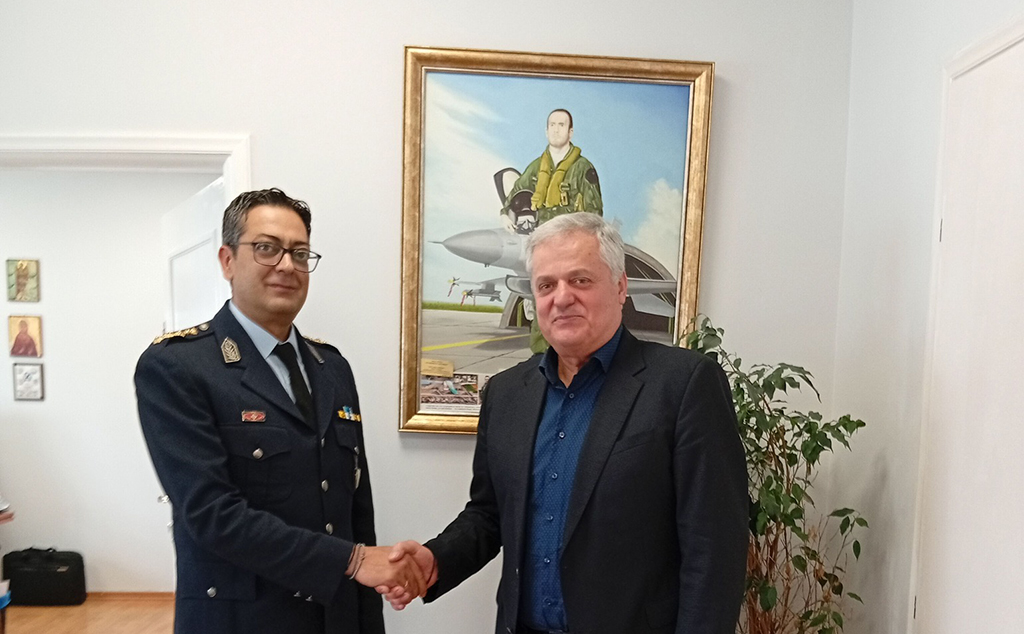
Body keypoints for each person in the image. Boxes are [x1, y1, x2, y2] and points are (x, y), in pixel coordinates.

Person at [383, 213, 749, 634]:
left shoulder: (684, 384)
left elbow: (714, 550)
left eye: (580, 280)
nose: (561, 298)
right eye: (546, 285)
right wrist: (436, 559)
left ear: (620, 287)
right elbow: (489, 514)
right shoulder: (506, 393)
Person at [135, 188, 425, 634]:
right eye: (267, 248)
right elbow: (212, 514)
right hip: (240, 620)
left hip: (334, 617)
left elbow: (356, 512)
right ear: (227, 261)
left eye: (300, 253)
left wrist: (369, 610)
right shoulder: (178, 367)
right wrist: (351, 561)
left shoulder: (332, 368)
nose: (287, 265)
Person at [500, 109, 603, 232]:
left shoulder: (583, 167)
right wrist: (504, 215)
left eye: (561, 125)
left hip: (570, 233)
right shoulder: (536, 167)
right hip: (541, 234)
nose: (556, 130)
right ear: (546, 132)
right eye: (552, 125)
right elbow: (516, 193)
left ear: (570, 132)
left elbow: (594, 214)